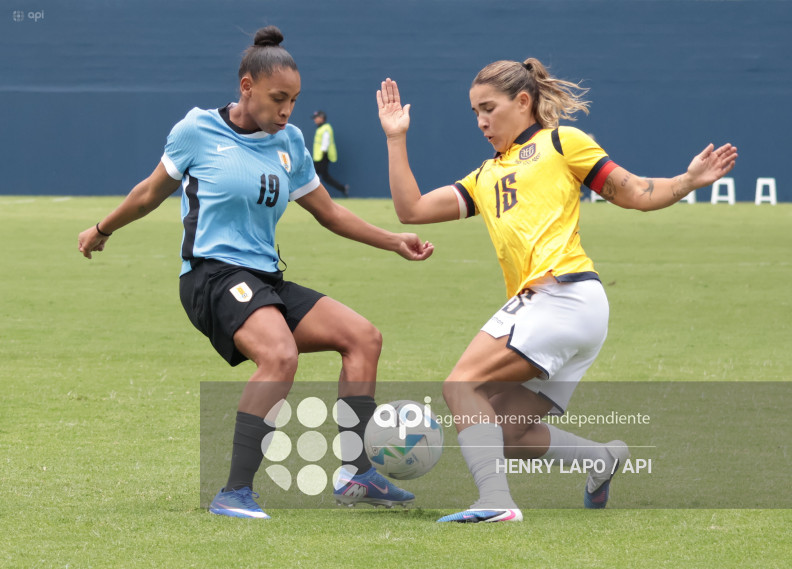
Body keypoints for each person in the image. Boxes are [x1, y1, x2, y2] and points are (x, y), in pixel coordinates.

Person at [77, 25, 434, 520]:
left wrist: (394, 241)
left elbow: (330, 214)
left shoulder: (289, 141)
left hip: (265, 279)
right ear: (247, 87)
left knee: (363, 337)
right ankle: (234, 492)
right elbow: (147, 193)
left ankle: (355, 473)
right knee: (280, 356)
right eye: (278, 98)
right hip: (211, 276)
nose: (287, 110)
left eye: (294, 100)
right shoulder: (197, 131)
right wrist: (102, 228)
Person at [376, 60, 737, 523]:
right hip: (573, 313)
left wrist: (687, 181)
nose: (481, 120)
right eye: (474, 112)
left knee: (460, 386)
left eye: (489, 107)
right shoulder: (485, 176)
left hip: (561, 296)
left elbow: (636, 193)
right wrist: (395, 137)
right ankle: (600, 459)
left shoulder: (561, 142)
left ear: (523, 102)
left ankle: (496, 503)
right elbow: (411, 209)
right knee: (505, 432)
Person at [312, 110, 349, 196]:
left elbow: (325, 142)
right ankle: (343, 188)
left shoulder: (325, 128)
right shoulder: (321, 128)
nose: (315, 120)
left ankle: (316, 195)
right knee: (323, 177)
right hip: (319, 157)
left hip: (322, 157)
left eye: (316, 118)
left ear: (321, 118)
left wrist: (323, 154)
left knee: (316, 177)